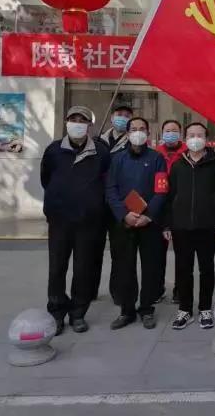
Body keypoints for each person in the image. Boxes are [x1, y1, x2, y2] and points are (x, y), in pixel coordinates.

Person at [40, 106, 110, 335]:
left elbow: (107, 181)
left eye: (82, 120)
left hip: (89, 222)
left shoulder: (101, 151)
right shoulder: (53, 150)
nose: (77, 123)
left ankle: (78, 313)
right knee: (57, 268)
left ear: (89, 125)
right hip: (60, 220)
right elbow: (46, 178)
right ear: (66, 122)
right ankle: (57, 311)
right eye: (73, 119)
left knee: (83, 269)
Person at [164, 122, 215, 331]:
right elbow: (170, 196)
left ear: (206, 139)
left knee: (206, 268)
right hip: (181, 226)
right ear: (185, 139)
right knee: (183, 269)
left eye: (199, 135)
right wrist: (167, 224)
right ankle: (184, 309)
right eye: (191, 135)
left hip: (207, 226)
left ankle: (205, 308)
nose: (195, 139)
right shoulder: (178, 165)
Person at [105, 117, 168, 330]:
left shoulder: (157, 158)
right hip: (125, 222)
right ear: (127, 133)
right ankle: (127, 310)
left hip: (149, 223)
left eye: (142, 129)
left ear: (148, 133)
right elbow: (111, 189)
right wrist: (124, 214)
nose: (138, 132)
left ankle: (147, 308)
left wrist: (148, 215)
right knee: (124, 267)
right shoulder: (117, 159)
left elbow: (161, 190)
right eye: (134, 129)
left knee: (151, 267)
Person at [93, 104, 134, 303]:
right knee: (92, 250)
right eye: (119, 114)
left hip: (120, 205)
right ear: (111, 117)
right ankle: (88, 291)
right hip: (97, 203)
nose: (122, 118)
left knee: (120, 252)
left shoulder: (133, 143)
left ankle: (119, 293)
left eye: (127, 116)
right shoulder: (97, 141)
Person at [156, 119, 186, 305]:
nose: (171, 134)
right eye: (167, 130)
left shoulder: (187, 154)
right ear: (162, 133)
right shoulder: (155, 153)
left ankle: (180, 290)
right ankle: (157, 289)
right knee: (157, 254)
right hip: (159, 207)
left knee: (182, 253)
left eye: (174, 130)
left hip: (180, 208)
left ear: (180, 134)